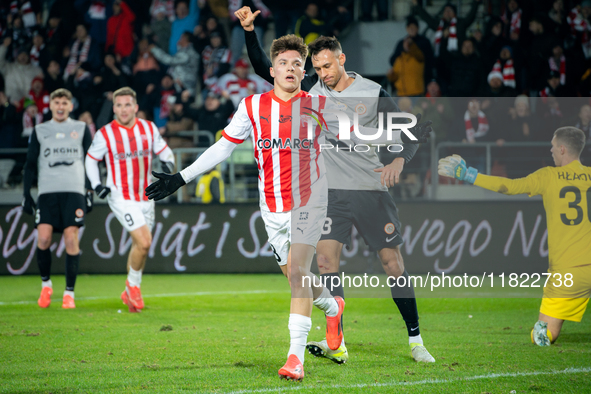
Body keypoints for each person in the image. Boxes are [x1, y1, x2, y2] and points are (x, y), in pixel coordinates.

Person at [145, 34, 354, 382]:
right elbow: (222, 149)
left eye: (297, 64)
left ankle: (294, 358)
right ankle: (333, 308)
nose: (290, 69)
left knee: (299, 276)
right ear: (271, 70)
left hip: (309, 204)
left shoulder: (320, 106)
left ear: (305, 72)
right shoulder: (253, 107)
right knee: (295, 277)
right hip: (271, 208)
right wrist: (181, 178)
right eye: (284, 63)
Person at [235, 6, 435, 364]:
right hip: (328, 194)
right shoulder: (310, 89)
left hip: (371, 190)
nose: (322, 74)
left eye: (328, 66)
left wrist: (399, 160)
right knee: (325, 264)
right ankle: (336, 341)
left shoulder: (372, 92)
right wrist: (250, 31)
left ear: (342, 59)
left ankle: (415, 339)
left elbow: (414, 131)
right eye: (318, 68)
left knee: (393, 264)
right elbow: (261, 68)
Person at [438, 127, 591, 346]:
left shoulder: (548, 175)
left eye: (553, 146)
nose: (550, 150)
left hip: (567, 273)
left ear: (563, 149)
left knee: (542, 336)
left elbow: (508, 186)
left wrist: (469, 175)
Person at [85, 87, 175, 313]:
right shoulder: (105, 133)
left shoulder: (148, 128)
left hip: (146, 196)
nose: (123, 109)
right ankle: (133, 287)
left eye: (127, 105)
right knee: (144, 241)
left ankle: (130, 291)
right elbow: (90, 160)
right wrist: (97, 185)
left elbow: (166, 152)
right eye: (119, 105)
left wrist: (168, 166)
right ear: (113, 108)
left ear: (135, 107)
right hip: (121, 196)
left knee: (140, 246)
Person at [22, 88, 94, 309]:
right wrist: (26, 194)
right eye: (57, 103)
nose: (61, 107)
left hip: (74, 192)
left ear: (71, 106)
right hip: (47, 192)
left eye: (65, 103)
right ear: (51, 106)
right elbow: (30, 163)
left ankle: (69, 293)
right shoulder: (40, 130)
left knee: (71, 239)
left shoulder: (81, 128)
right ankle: (46, 286)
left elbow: (90, 161)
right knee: (43, 239)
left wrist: (90, 191)